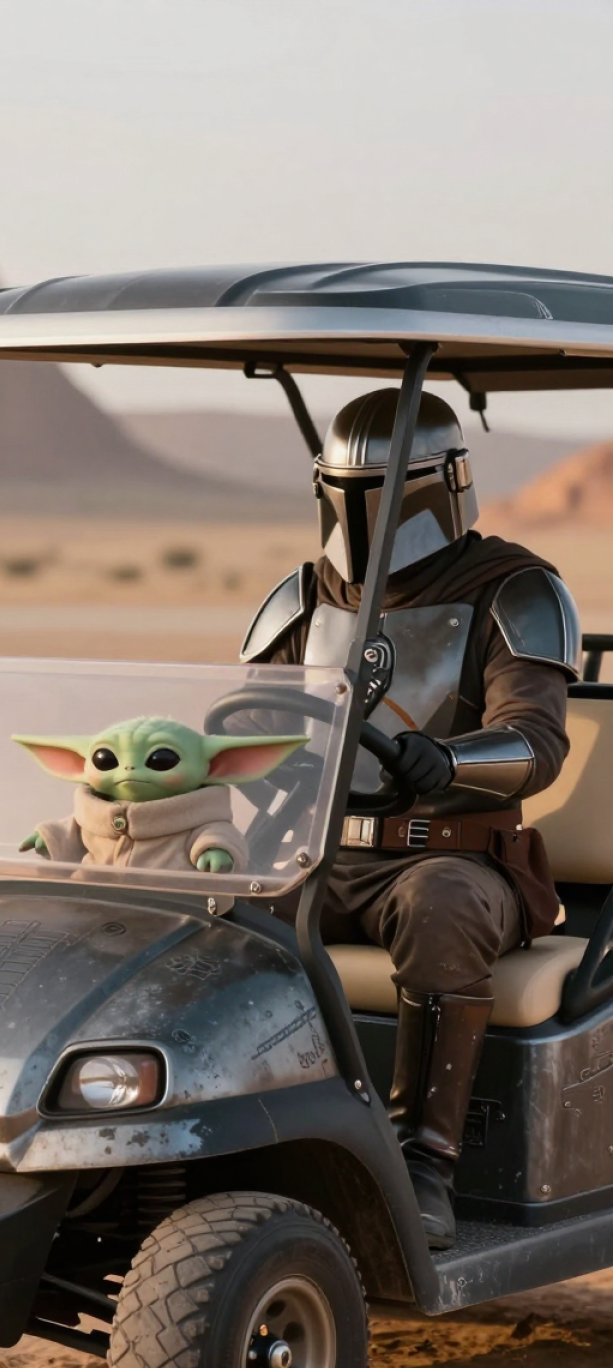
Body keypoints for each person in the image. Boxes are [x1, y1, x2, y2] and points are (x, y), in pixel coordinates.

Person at [241, 389, 580, 1249]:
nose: (364, 515)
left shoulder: (512, 588)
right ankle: (240, 1141)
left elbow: (537, 742)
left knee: (440, 905)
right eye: (347, 492)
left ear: (444, 485)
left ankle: (422, 1162)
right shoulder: (301, 597)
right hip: (323, 855)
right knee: (212, 919)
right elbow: (243, 720)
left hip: (460, 859)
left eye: (387, 490)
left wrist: (454, 761)